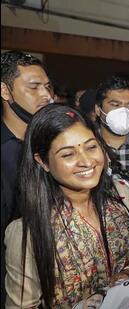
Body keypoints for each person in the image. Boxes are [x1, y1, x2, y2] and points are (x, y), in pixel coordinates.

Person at [4, 104, 129, 308]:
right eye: (68, 154)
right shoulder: (27, 231)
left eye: (91, 147)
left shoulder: (121, 196)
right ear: (43, 162)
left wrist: (128, 272)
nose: (86, 161)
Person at [1, 50, 53, 306]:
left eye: (47, 86)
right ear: (4, 91)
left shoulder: (51, 144)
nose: (46, 96)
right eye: (34, 87)